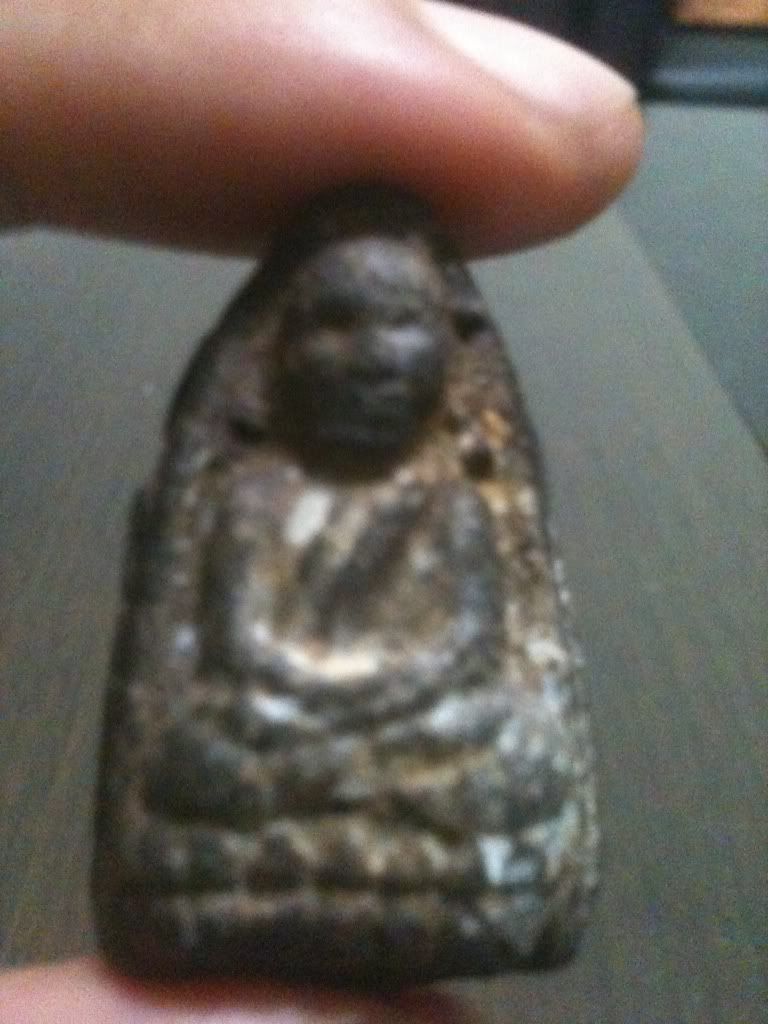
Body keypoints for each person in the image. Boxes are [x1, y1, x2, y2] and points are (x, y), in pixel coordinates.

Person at [0, 2, 643, 1021]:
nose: (370, 355)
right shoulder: (254, 494)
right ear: (277, 351)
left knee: (504, 756)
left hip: (412, 738)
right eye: (335, 324)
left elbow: (469, 651)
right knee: (202, 750)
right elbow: (237, 647)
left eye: (401, 324)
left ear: (448, 344)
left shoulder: (451, 505)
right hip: (274, 729)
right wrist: (305, 710)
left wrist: (376, 710)